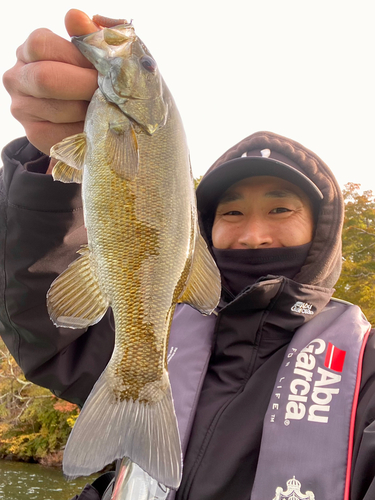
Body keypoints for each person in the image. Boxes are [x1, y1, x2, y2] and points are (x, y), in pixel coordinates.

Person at [1, 9, 375, 500]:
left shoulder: (365, 372)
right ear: (202, 230)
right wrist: (44, 163)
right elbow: (40, 322)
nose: (254, 233)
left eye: (280, 209)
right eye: (233, 212)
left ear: (323, 228)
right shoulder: (167, 319)